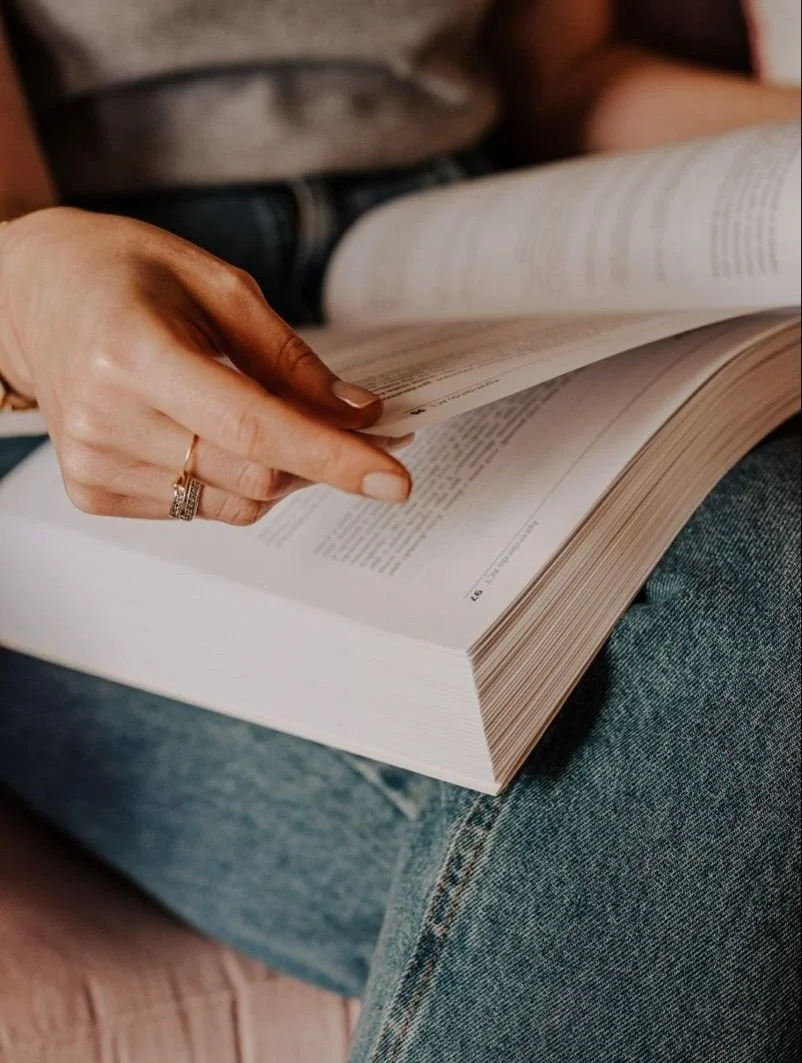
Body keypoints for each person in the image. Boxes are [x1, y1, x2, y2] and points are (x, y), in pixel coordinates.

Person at [0, 1, 799, 1059]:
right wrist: (30, 302)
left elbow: (570, 81)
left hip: (483, 248)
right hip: (108, 330)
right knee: (751, 594)